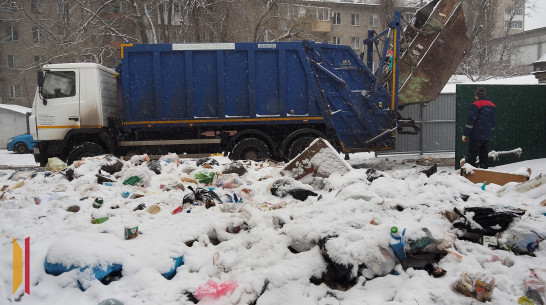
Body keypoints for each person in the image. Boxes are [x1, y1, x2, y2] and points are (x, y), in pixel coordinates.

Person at [462, 87, 496, 168]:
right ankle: (484, 173)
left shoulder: (476, 104)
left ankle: (470, 174)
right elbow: (493, 121)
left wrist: (465, 133)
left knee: (472, 157)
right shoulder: (492, 105)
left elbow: (471, 121)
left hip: (476, 136)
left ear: (477, 95)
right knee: (484, 157)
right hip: (486, 136)